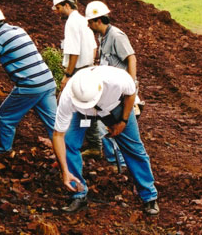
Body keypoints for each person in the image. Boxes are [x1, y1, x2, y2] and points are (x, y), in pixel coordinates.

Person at [51, 64, 160, 216]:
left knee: (133, 148)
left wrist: (122, 121)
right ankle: (78, 193)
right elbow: (58, 136)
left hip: (114, 106)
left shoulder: (116, 79)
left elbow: (131, 93)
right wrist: (64, 171)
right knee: (69, 143)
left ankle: (149, 196)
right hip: (81, 114)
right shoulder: (69, 97)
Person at [0, 6, 57, 157]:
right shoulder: (18, 30)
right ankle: (68, 156)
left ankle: (4, 153)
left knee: (5, 117)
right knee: (55, 125)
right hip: (47, 81)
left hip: (30, 86)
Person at [52, 0, 107, 160]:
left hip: (78, 70)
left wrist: (68, 75)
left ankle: (68, 142)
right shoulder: (84, 21)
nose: (57, 11)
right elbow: (94, 47)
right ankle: (94, 145)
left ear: (66, 5)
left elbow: (73, 52)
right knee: (88, 108)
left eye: (58, 7)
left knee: (68, 103)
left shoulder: (71, 23)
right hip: (88, 67)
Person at [85, 0, 136, 168]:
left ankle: (119, 162)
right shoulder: (103, 36)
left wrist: (131, 85)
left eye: (90, 21)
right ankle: (116, 161)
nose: (88, 25)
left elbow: (131, 58)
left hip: (120, 92)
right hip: (108, 90)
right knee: (104, 126)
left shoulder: (116, 35)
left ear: (98, 21)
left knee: (110, 127)